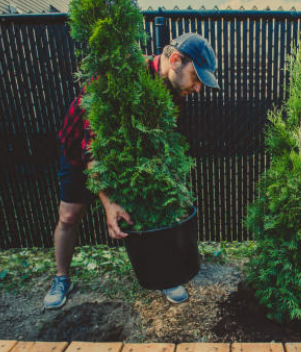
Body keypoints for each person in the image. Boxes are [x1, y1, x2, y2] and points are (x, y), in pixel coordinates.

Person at [43, 33, 220, 309]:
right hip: (81, 151)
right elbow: (92, 149)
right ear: (174, 60)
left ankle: (164, 276)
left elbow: (159, 143)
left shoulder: (173, 97)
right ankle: (61, 277)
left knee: (153, 211)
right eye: (196, 78)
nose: (198, 89)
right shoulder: (122, 75)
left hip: (131, 162)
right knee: (69, 215)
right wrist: (109, 202)